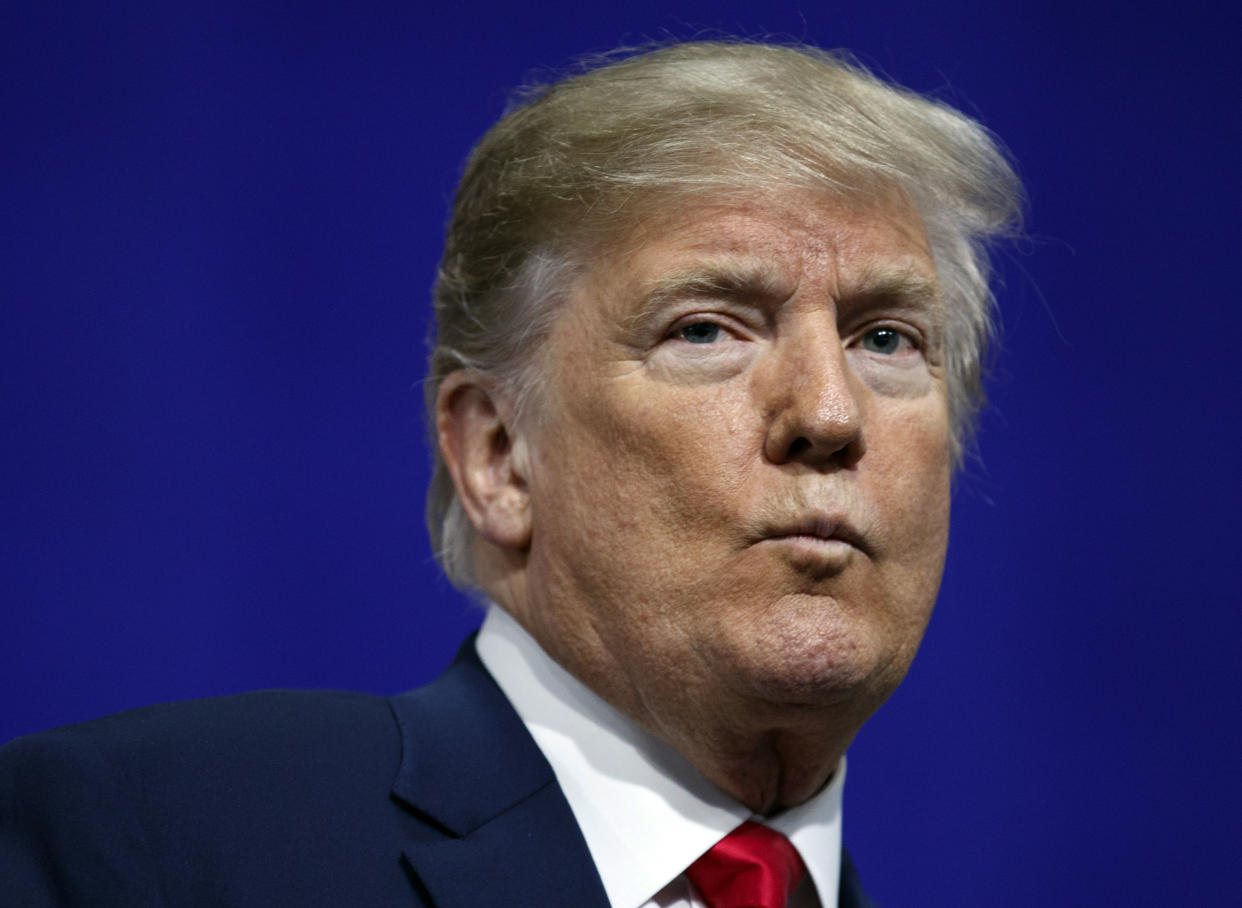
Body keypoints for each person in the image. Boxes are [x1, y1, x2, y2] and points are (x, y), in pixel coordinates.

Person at [0, 40, 1020, 907]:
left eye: (887, 338)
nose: (831, 414)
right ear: (497, 454)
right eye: (706, 327)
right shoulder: (147, 845)